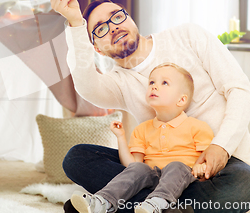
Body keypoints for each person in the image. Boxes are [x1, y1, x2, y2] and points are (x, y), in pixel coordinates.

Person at [50, 0, 250, 213]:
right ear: (97, 48)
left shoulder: (187, 36)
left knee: (246, 185)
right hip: (158, 171)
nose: (113, 27)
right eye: (100, 29)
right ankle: (167, 207)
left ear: (129, 18)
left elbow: (240, 90)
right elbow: (85, 84)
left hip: (222, 161)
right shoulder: (117, 83)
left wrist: (221, 147)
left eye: (117, 17)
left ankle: (127, 205)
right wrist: (75, 23)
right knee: (77, 158)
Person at [70, 63, 214, 213]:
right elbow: (132, 165)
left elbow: (208, 159)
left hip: (184, 179)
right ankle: (102, 202)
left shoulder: (198, 127)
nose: (154, 86)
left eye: (164, 83)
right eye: (152, 82)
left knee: (176, 166)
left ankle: (156, 204)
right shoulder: (142, 129)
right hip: (152, 179)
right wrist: (121, 138)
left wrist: (201, 167)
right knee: (140, 168)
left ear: (181, 100)